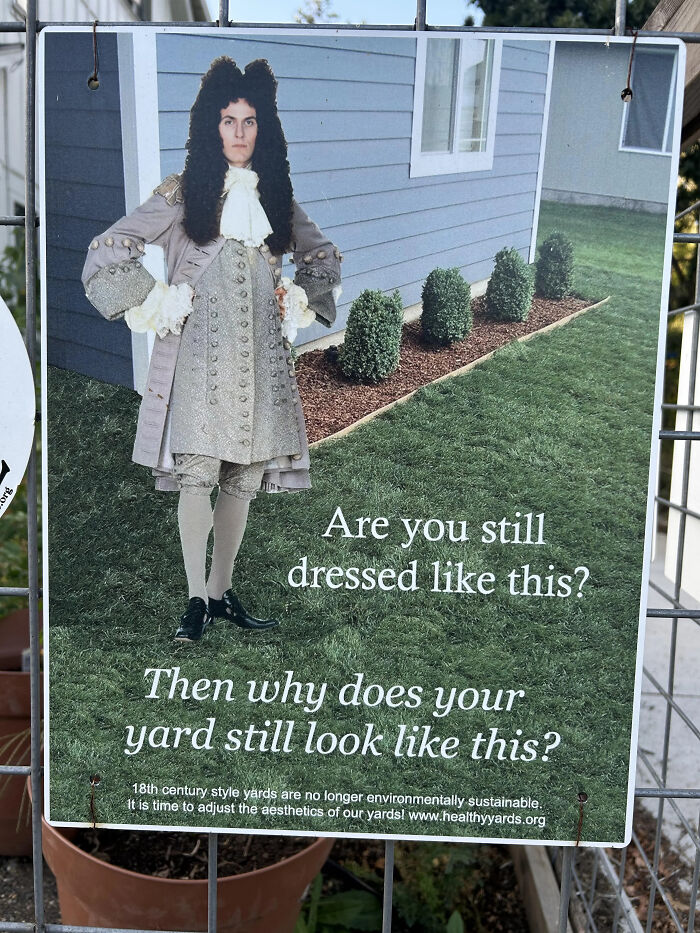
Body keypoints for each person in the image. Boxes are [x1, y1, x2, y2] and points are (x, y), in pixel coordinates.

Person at [81, 56, 341, 643]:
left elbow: (322, 255)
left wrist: (298, 296)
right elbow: (109, 246)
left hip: (259, 362)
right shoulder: (181, 196)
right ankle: (195, 600)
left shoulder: (277, 199)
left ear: (263, 128)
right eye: (229, 121)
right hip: (198, 360)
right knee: (197, 472)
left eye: (250, 122)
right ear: (211, 127)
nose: (241, 134)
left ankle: (221, 592)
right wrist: (157, 299)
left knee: (241, 477)